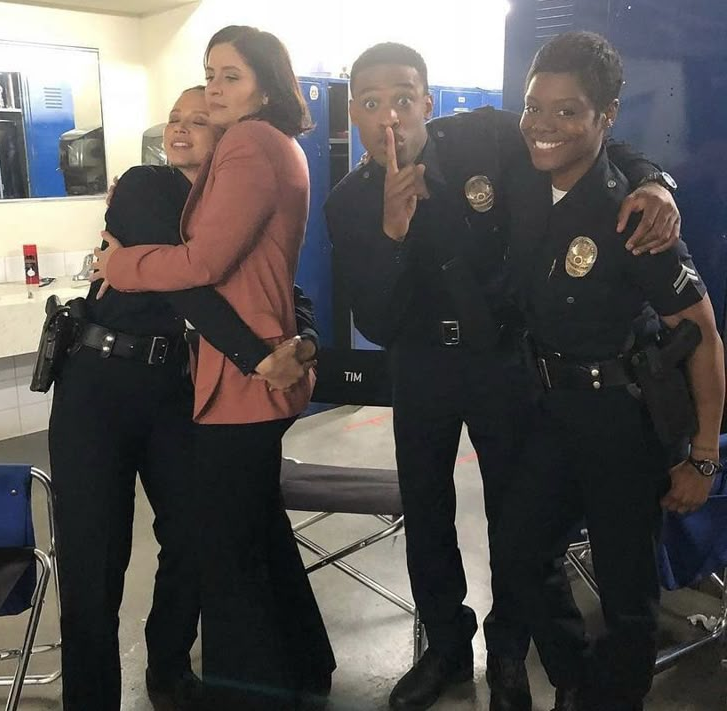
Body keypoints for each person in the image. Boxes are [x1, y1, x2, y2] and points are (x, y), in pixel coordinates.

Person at [324, 42, 681, 711]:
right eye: (370, 103)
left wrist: (654, 181)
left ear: (428, 101)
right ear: (354, 113)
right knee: (425, 506)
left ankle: (511, 648)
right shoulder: (348, 203)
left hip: (502, 358)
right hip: (421, 364)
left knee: (513, 514)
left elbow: (589, 147)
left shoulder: (483, 139)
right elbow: (371, 314)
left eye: (403, 97)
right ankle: (445, 646)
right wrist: (393, 233)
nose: (389, 118)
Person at [49, 85, 319, 711]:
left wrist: (303, 338)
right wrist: (259, 358)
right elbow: (191, 288)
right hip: (100, 383)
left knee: (193, 536)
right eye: (174, 118)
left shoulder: (230, 203)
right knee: (95, 555)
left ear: (226, 135)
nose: (180, 129)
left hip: (177, 389)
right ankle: (90, 700)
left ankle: (168, 667)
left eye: (199, 121)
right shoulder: (146, 186)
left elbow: (278, 285)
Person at [492, 31, 724, 711]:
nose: (544, 125)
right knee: (519, 550)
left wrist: (703, 457)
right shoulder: (526, 179)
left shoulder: (635, 217)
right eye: (537, 106)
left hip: (622, 423)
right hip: (551, 413)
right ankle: (575, 677)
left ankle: (605, 698)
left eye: (569, 112)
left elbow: (703, 333)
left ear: (606, 115)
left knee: (627, 599)